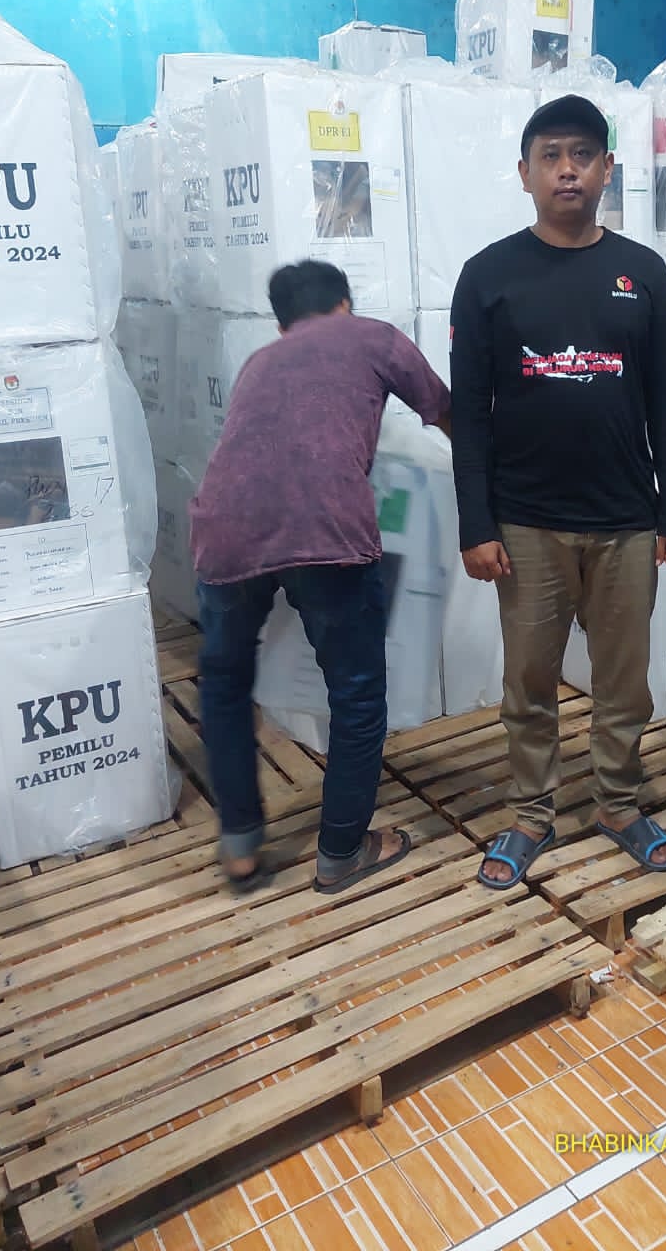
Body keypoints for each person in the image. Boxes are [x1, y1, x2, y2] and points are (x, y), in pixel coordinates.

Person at [449, 93, 666, 888]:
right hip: (526, 523)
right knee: (529, 683)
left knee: (624, 683)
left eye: (583, 155)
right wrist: (476, 523)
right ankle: (530, 814)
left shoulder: (643, 273)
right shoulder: (487, 277)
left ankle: (618, 803)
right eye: (550, 155)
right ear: (524, 173)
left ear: (606, 169)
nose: (567, 170)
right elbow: (470, 415)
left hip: (626, 519)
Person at [189, 260, 451, 896]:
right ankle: (341, 851)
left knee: (224, 685)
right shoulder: (372, 335)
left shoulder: (260, 361)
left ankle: (241, 848)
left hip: (222, 530)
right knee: (356, 693)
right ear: (345, 304)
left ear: (282, 323)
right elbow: (448, 413)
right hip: (323, 527)